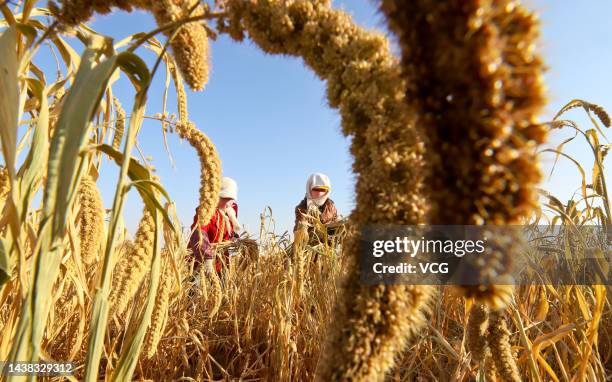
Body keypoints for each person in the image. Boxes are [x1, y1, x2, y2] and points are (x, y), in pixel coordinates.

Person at [188, 177, 241, 274]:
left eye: (231, 200)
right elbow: (199, 234)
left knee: (222, 287)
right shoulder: (206, 212)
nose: (229, 204)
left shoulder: (230, 211)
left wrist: (234, 240)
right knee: (197, 288)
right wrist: (207, 257)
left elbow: (230, 233)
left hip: (220, 261)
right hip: (200, 261)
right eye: (226, 199)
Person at [293, 173, 339, 245]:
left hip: (327, 249)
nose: (319, 193)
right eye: (316, 189)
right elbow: (299, 231)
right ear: (309, 188)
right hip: (309, 250)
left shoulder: (331, 207)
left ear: (327, 191)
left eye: (322, 189)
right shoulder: (302, 208)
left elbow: (336, 228)